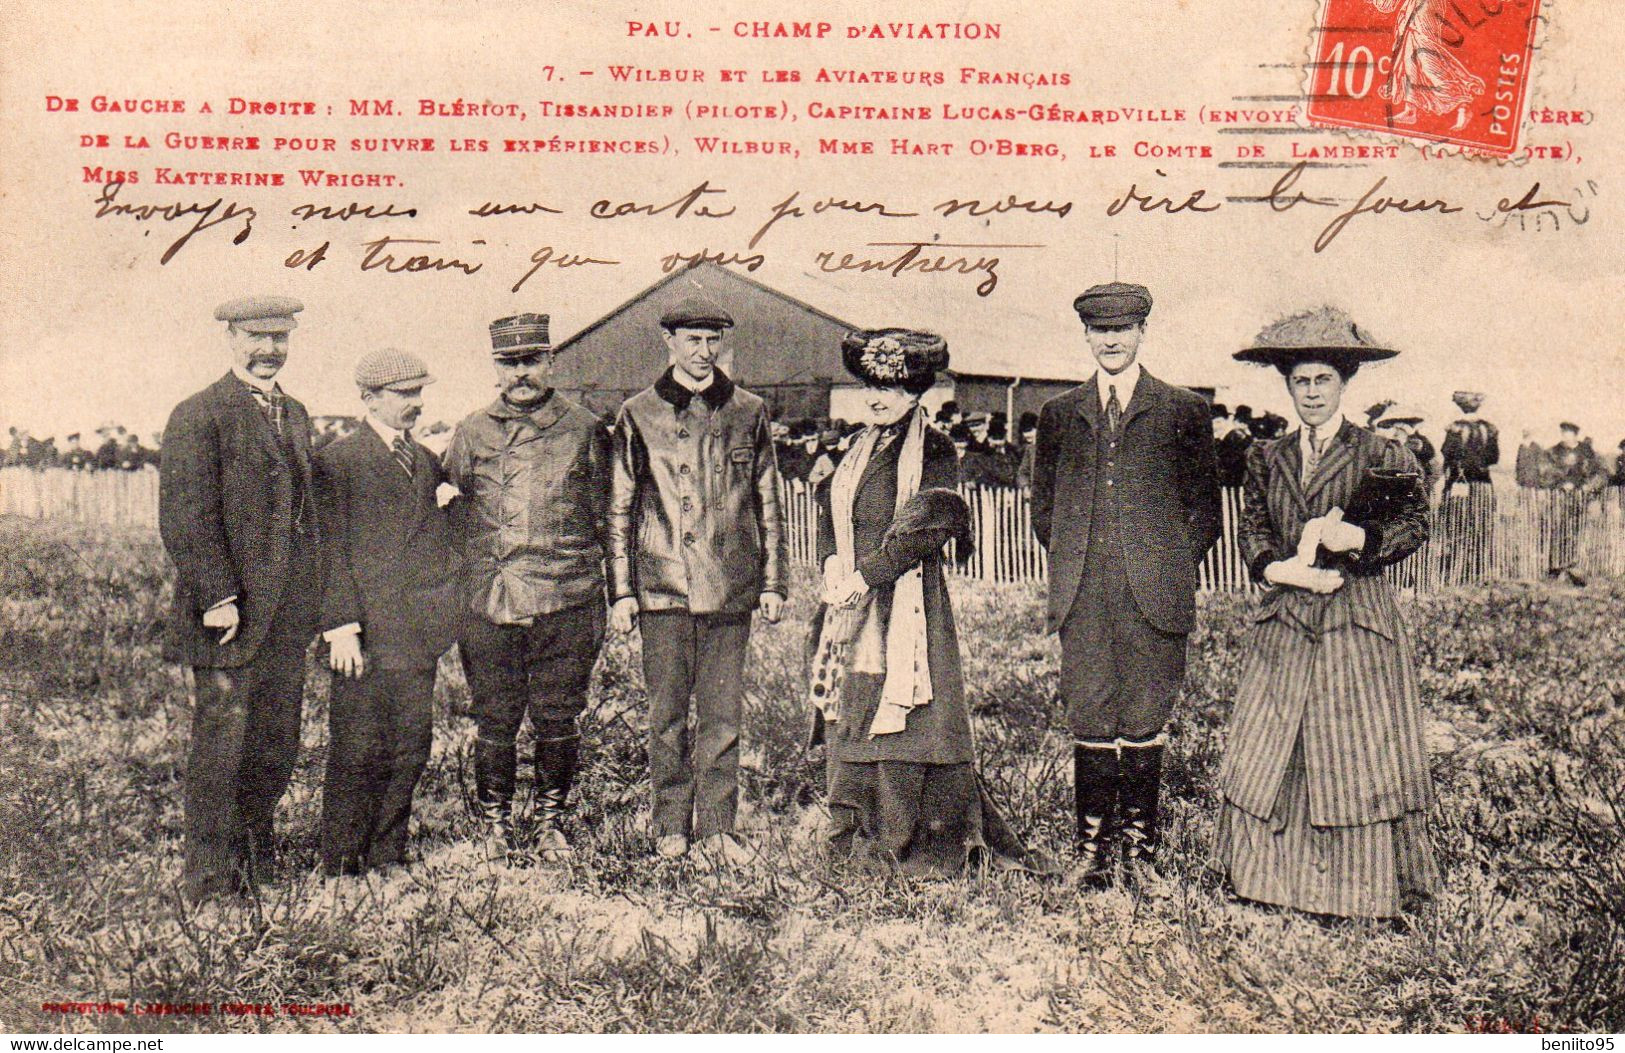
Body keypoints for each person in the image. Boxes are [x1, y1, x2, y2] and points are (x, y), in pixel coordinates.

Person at [1214, 306, 1436, 920]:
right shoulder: (1268, 455)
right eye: (1300, 382)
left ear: (1344, 384)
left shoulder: (1381, 452)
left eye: (1323, 381)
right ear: (1287, 386)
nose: (1311, 393)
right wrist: (1272, 567)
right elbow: (1255, 525)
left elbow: (1415, 523)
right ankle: (1269, 882)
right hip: (1286, 616)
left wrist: (1359, 540)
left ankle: (1356, 892)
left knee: (1352, 747)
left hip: (1354, 617)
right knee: (1274, 742)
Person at [809, 329, 1046, 876]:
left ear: (917, 393)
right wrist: (830, 564)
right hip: (851, 604)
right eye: (870, 384)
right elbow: (829, 510)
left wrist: (866, 576)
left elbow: (929, 522)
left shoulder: (934, 448)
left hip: (906, 603)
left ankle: (912, 838)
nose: (877, 397)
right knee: (854, 709)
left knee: (913, 719)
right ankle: (854, 831)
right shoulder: (857, 446)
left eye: (891, 388)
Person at [1030, 282, 1221, 886]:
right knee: (1090, 713)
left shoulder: (1183, 410)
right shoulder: (1060, 414)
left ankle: (1139, 852)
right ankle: (1090, 850)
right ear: (1086, 335)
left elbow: (1204, 512)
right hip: (1085, 593)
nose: (1111, 340)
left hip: (1154, 596)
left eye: (1123, 328)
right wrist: (1077, 563)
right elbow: (1045, 510)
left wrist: (1164, 565)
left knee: (1143, 717)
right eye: (1099, 330)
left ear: (1142, 332)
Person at [607, 296, 788, 866]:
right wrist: (622, 591)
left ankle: (715, 830)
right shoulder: (637, 413)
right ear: (669, 342)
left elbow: (768, 500)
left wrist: (775, 582)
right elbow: (618, 508)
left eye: (714, 341)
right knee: (666, 717)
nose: (704, 352)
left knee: (722, 716)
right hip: (662, 587)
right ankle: (669, 827)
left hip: (731, 588)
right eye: (692, 341)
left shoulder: (749, 410)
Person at [158, 295, 321, 901]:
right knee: (222, 743)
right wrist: (218, 595)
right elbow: (185, 516)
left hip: (285, 615)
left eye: (279, 338)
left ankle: (255, 859)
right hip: (224, 615)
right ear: (229, 336)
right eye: (256, 336)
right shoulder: (199, 413)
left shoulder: (296, 413)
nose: (268, 349)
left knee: (276, 740)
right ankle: (206, 877)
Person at [445, 313, 612, 860]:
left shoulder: (584, 428)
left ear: (550, 362)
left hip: (566, 594)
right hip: (488, 600)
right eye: (509, 362)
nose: (521, 373)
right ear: (496, 368)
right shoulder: (470, 430)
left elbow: (611, 512)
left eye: (531, 361)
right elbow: (451, 511)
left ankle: (550, 821)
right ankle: (493, 823)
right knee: (494, 714)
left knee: (557, 714)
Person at [313, 349, 462, 876]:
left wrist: (442, 616)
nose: (415, 405)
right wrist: (341, 629)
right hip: (365, 636)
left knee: (410, 746)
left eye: (419, 394)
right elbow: (328, 551)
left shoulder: (424, 461)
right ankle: (342, 859)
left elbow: (439, 540)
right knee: (357, 748)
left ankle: (388, 853)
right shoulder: (337, 461)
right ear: (369, 399)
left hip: (416, 635)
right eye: (404, 395)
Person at [1440, 390, 1499, 489]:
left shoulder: (1455, 428)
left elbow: (1447, 451)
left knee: (1458, 503)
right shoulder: (1488, 428)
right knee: (1481, 503)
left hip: (1459, 477)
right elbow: (1494, 457)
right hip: (1482, 478)